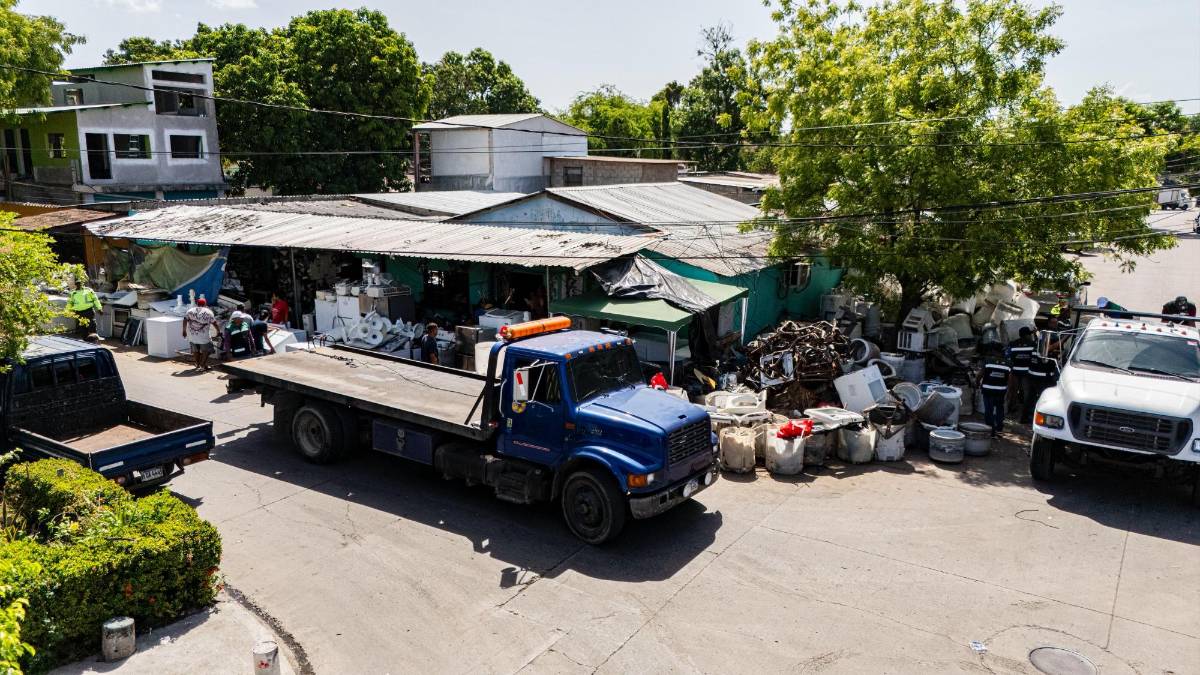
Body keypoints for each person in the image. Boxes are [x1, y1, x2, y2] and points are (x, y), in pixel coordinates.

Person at [977, 344, 1011, 437]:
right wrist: (1009, 392)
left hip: (988, 390)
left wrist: (976, 383)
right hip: (1001, 391)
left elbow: (980, 374)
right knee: (1000, 409)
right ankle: (999, 429)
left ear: (994, 351)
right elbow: (1010, 380)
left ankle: (990, 431)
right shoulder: (1008, 363)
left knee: (989, 410)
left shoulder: (988, 361)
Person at [1006, 326, 1037, 419]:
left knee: (1013, 390)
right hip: (1027, 372)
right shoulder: (1032, 344)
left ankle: (1012, 408)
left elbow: (1007, 356)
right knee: (1027, 391)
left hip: (1015, 371)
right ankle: (1025, 411)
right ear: (1027, 335)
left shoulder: (1013, 344)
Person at [182, 298, 217, 372]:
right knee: (207, 350)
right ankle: (202, 365)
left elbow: (185, 319)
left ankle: (198, 364)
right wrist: (218, 331)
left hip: (192, 335)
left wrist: (184, 331)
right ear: (205, 304)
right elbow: (214, 323)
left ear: (197, 304)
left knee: (195, 350)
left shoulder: (190, 311)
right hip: (203, 337)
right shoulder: (209, 312)